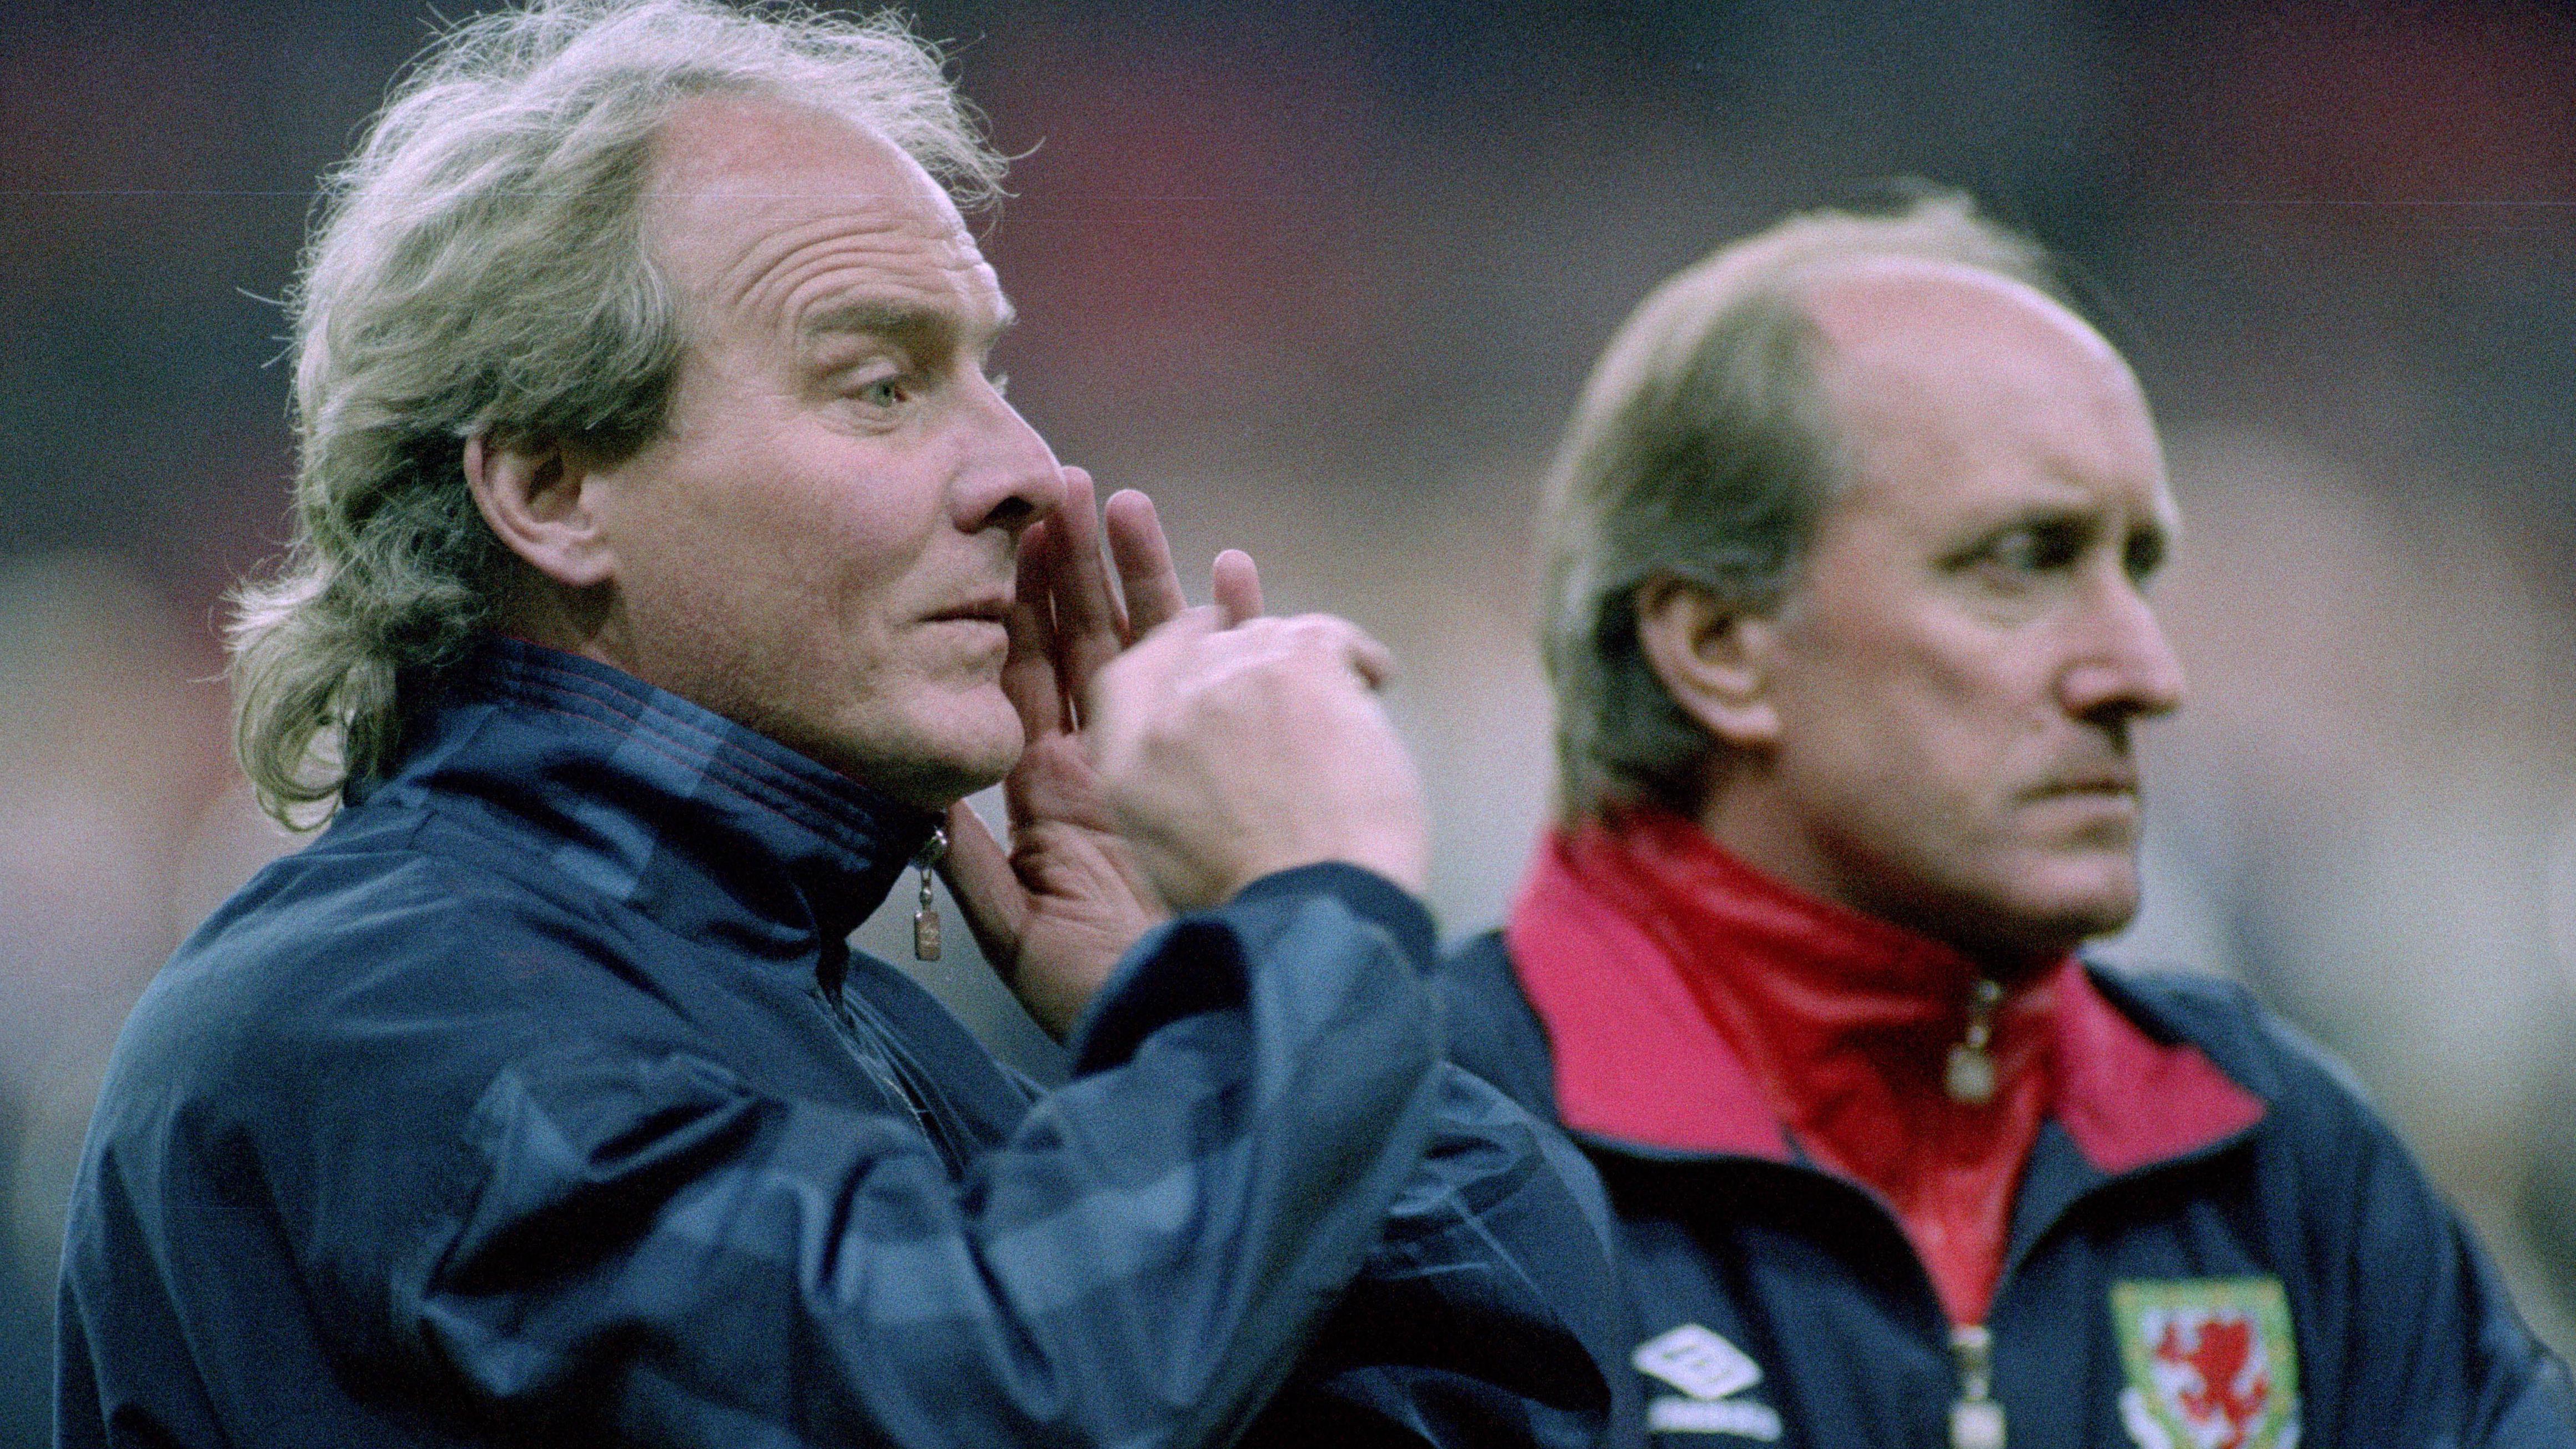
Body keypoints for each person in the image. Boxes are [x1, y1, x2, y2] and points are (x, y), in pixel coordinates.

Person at [53, 3, 1620, 1444]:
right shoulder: (377, 1019)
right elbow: (1003, 1401)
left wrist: (1188, 987)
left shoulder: (842, 1012)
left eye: (991, 374)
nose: (1027, 469)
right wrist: (1305, 929)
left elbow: (1515, 1390)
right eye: (880, 385)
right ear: (547, 488)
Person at [1439, 188, 2576, 1447]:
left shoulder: (2279, 1155)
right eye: (2026, 559)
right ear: (1717, 646)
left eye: (2136, 566)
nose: (2145, 671)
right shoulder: (1435, 1172)